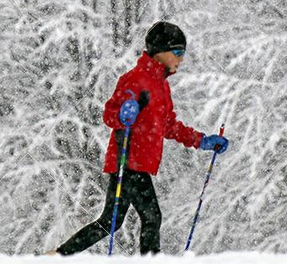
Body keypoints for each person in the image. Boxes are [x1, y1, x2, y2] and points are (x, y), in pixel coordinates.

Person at [51, 21, 230, 256]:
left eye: (183, 53)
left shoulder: (162, 87)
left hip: (140, 164)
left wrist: (202, 140)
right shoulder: (135, 79)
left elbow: (169, 126)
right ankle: (150, 261)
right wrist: (123, 114)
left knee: (110, 222)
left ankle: (59, 255)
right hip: (127, 160)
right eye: (177, 52)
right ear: (160, 52)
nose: (181, 59)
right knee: (152, 216)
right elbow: (110, 115)